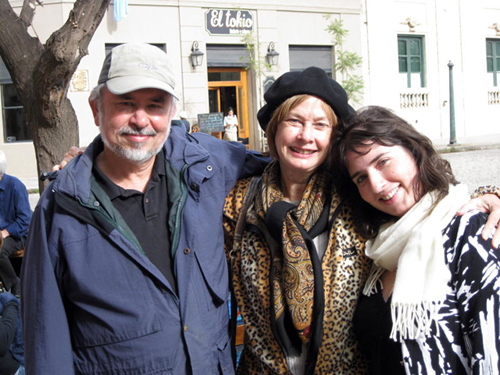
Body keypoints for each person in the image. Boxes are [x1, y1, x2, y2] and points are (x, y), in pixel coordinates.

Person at [21, 43, 267, 375]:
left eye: (155, 105)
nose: (141, 120)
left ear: (170, 113)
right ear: (96, 109)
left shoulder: (204, 165)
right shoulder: (61, 209)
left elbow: (289, 163)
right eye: (125, 104)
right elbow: (46, 344)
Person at [223, 67, 372, 374]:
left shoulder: (358, 196)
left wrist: (491, 197)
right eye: (294, 121)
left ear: (334, 136)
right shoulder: (239, 203)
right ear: (274, 129)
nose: (306, 136)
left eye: (320, 125)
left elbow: (423, 203)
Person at [334, 105, 500, 374]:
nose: (376, 185)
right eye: (361, 178)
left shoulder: (469, 231)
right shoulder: (380, 249)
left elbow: (491, 354)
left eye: (383, 162)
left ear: (413, 150)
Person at [0, 151, 31, 297]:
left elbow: (25, 220)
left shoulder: (15, 186)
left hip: (17, 235)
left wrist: (5, 233)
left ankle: (15, 284)